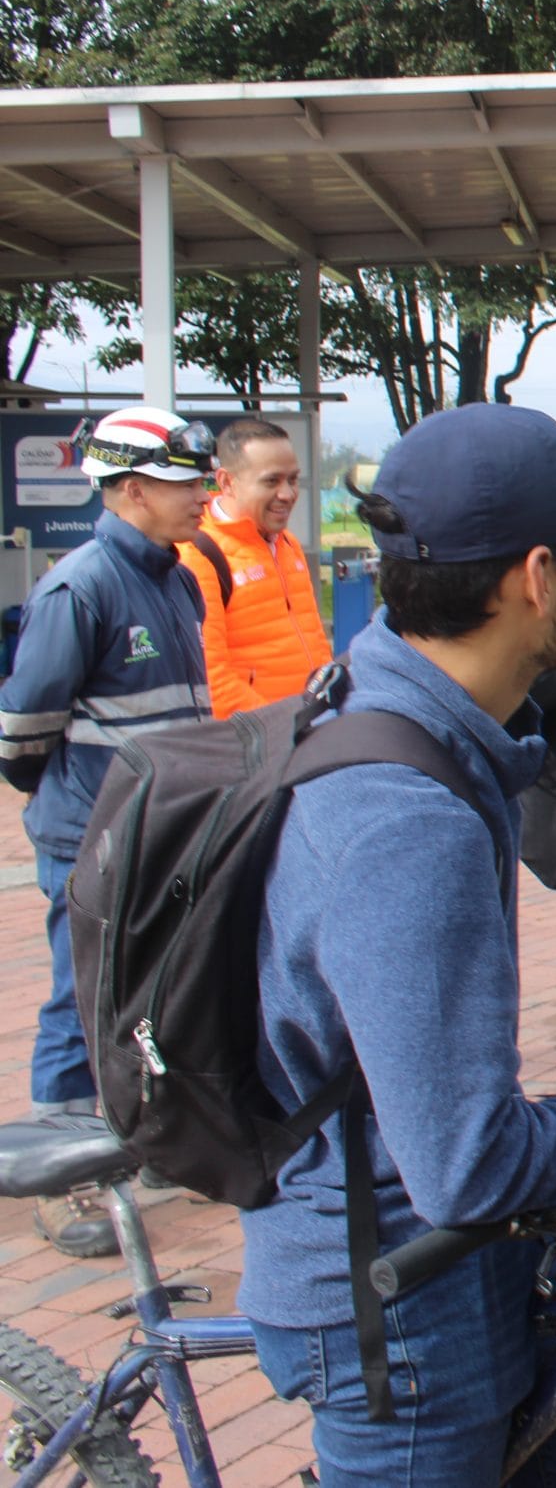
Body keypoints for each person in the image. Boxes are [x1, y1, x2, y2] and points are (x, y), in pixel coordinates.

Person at [243, 402, 556, 1482]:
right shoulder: (406, 823)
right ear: (537, 578)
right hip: (402, 1316)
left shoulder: (386, 696)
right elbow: (467, 1163)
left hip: (465, 1272)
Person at [0, 406, 215, 1257]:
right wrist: (79, 802)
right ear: (130, 491)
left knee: (151, 994)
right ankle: (60, 1175)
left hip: (160, 830)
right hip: (89, 837)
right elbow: (21, 733)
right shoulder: (79, 587)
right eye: (182, 481)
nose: (201, 494)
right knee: (77, 998)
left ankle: (148, 1142)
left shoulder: (177, 578)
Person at [182, 417, 334, 717]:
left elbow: (313, 637)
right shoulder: (199, 555)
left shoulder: (286, 542)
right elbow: (212, 679)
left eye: (292, 479)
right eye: (271, 481)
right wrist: (284, 730)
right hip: (263, 740)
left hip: (310, 728)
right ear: (226, 481)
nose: (288, 494)